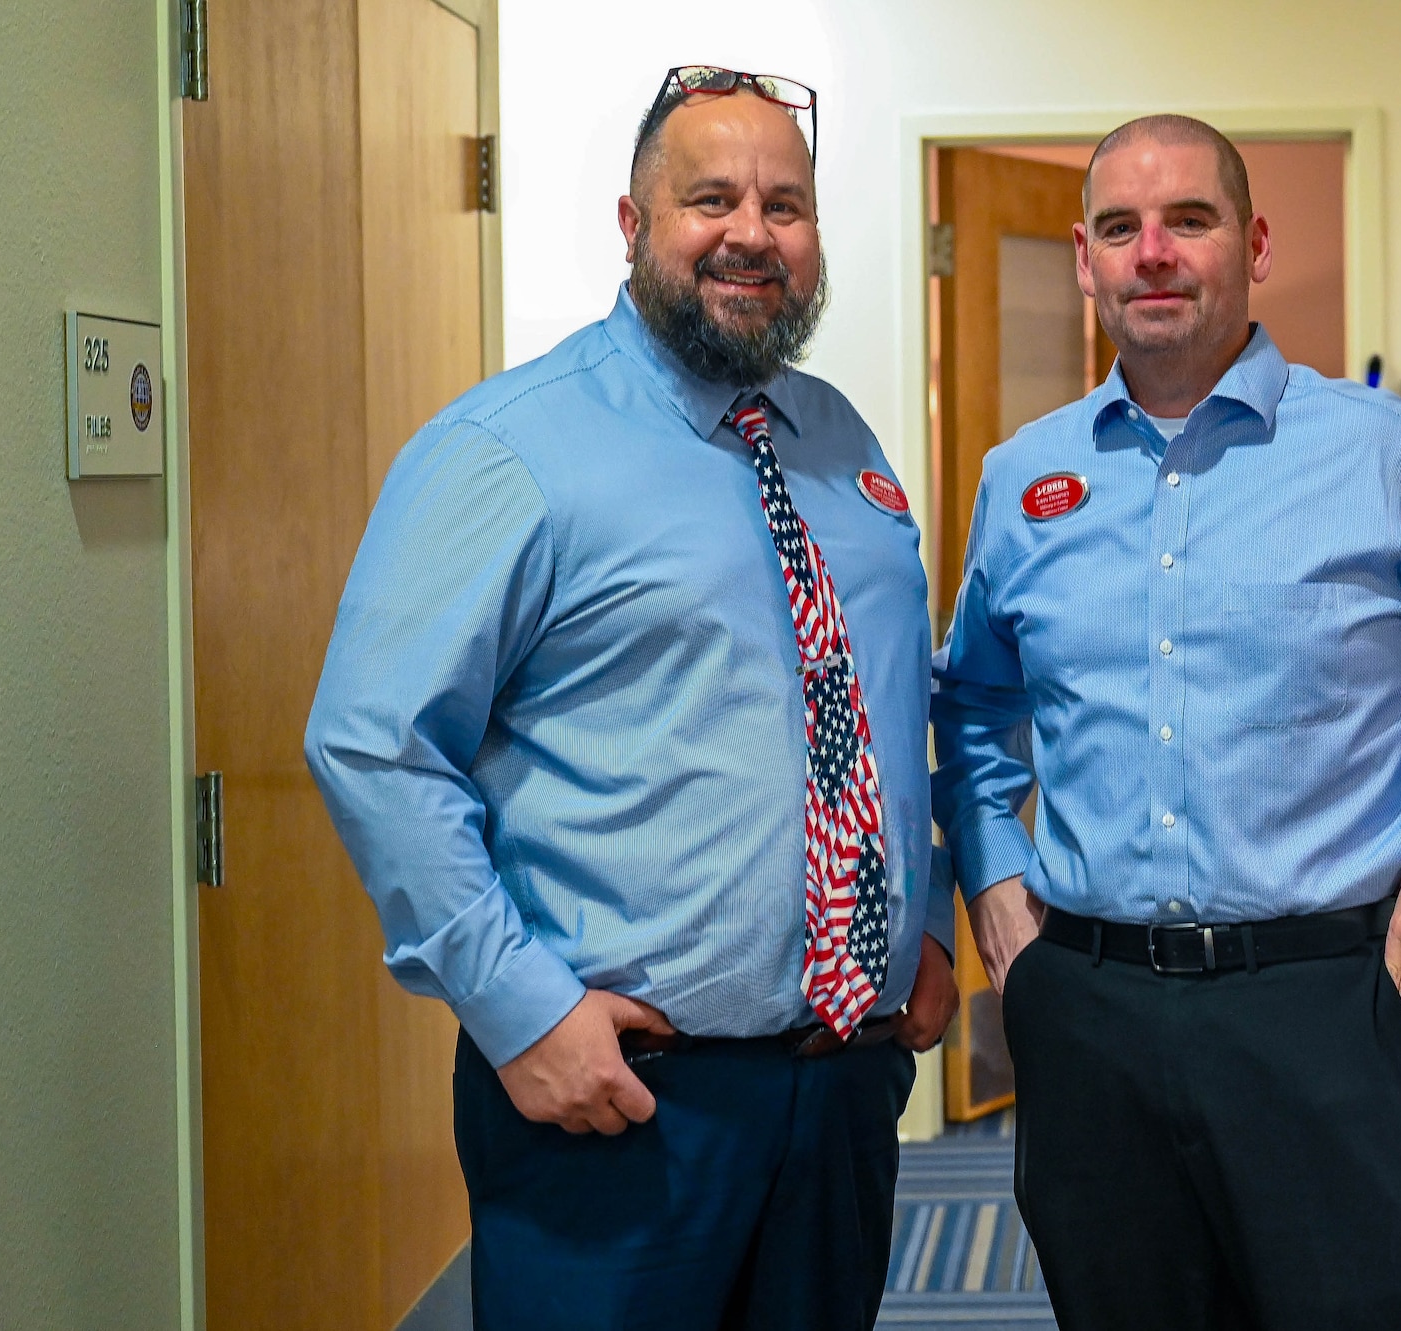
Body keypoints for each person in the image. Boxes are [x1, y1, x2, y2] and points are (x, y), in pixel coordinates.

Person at [930, 115, 1401, 1331]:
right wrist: (990, 869)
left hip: (1325, 1013)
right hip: (1087, 1007)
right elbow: (974, 699)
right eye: (1118, 227)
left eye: (1186, 220)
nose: (1152, 253)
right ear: (1083, 260)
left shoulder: (1385, 456)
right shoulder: (1021, 479)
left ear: (1248, 242)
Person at [306, 66, 957, 1331]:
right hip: (618, 1097)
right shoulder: (509, 449)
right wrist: (521, 1010)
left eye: (785, 203)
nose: (749, 232)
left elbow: (873, 706)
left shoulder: (839, 440)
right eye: (708, 197)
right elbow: (376, 744)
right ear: (631, 224)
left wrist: (920, 919)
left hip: (839, 1089)